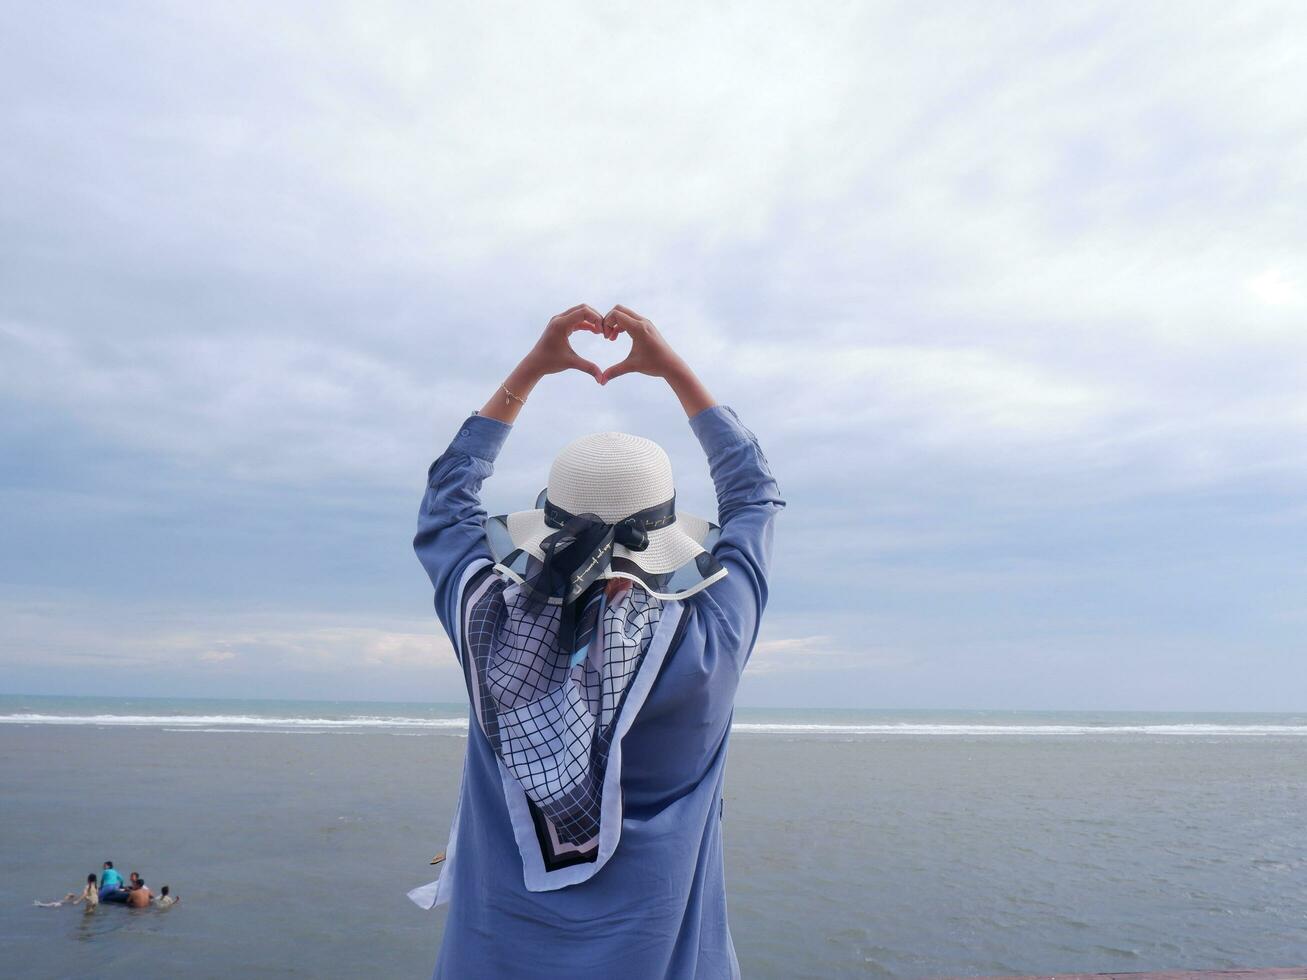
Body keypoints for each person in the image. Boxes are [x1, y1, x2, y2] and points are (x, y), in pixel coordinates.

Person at [411, 304, 785, 978]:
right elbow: (753, 495)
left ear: (546, 531)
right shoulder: (712, 638)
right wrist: (671, 367)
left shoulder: (484, 623)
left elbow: (446, 501)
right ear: (667, 540)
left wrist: (531, 370)